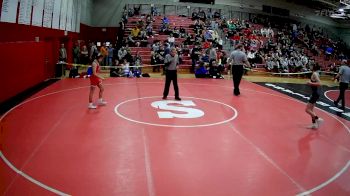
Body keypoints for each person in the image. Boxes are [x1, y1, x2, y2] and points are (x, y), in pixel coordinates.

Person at [305, 64, 323, 129]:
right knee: (311, 110)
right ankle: (314, 124)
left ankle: (318, 119)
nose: (310, 66)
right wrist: (311, 82)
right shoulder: (316, 73)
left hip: (315, 93)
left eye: (311, 66)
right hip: (316, 93)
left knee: (307, 110)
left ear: (314, 67)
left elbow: (319, 83)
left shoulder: (315, 74)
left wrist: (310, 83)